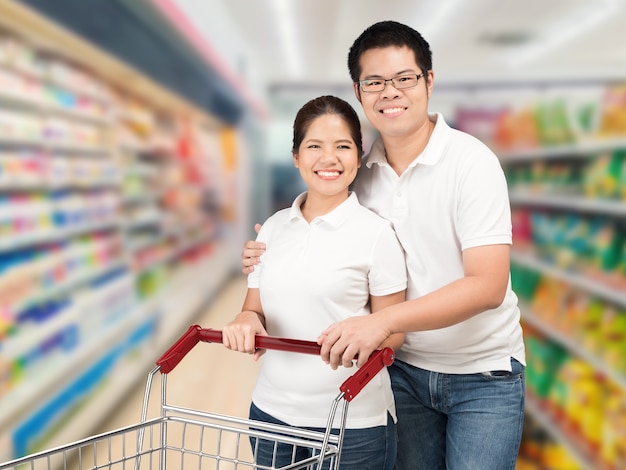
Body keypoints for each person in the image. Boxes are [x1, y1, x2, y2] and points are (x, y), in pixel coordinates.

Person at [241, 21, 526, 470]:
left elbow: (489, 285)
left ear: (428, 82)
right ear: (359, 91)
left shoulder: (472, 163)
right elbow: (321, 238)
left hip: (481, 372)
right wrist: (270, 250)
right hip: (400, 371)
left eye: (404, 78)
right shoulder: (360, 171)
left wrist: (383, 321)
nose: (389, 92)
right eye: (374, 82)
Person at [223, 95, 407, 470]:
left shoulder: (376, 235)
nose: (329, 158)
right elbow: (253, 308)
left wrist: (359, 338)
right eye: (314, 146)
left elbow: (394, 331)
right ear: (296, 156)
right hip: (271, 416)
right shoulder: (273, 227)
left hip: (352, 423)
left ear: (359, 155)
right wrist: (245, 320)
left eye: (342, 146)